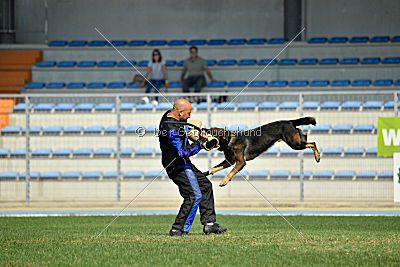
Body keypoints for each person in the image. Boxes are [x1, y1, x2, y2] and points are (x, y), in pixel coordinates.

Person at [159, 99, 227, 236]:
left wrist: (197, 132)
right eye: (188, 113)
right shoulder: (170, 129)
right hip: (176, 165)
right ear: (180, 112)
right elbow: (182, 152)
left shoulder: (170, 115)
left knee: (205, 185)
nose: (190, 116)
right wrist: (201, 144)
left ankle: (209, 224)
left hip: (183, 163)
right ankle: (178, 229)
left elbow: (185, 126)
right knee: (194, 195)